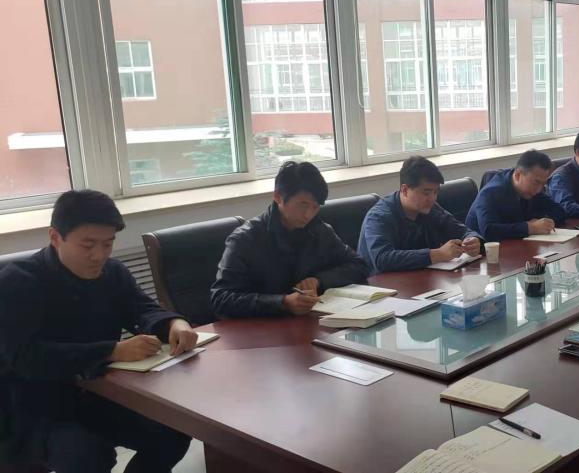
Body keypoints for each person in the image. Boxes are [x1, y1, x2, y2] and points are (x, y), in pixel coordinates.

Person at [0, 190, 196, 473]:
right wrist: (111, 351)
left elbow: (142, 308)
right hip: (34, 405)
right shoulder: (18, 282)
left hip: (98, 393)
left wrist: (174, 323)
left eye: (108, 244)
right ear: (55, 237)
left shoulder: (112, 272)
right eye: (88, 245)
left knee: (173, 431)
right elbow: (24, 357)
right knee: (88, 455)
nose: (99, 255)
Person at [210, 161, 368, 318]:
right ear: (278, 197)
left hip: (308, 322)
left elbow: (358, 265)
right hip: (263, 327)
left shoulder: (320, 231)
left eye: (315, 207)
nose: (308, 214)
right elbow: (221, 299)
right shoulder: (245, 239)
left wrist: (319, 281)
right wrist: (282, 302)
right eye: (303, 204)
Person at [358, 156, 482, 275]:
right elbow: (382, 259)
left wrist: (473, 240)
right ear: (404, 190)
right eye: (426, 193)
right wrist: (437, 254)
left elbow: (461, 231)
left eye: (435, 192)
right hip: (381, 285)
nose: (432, 199)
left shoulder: (430, 209)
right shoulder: (379, 217)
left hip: (422, 280)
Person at [465, 150, 567, 241]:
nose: (539, 189)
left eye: (543, 184)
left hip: (518, 246)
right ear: (518, 175)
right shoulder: (490, 192)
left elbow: (559, 212)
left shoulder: (533, 188)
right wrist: (530, 227)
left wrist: (544, 222)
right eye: (536, 183)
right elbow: (489, 231)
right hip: (483, 252)